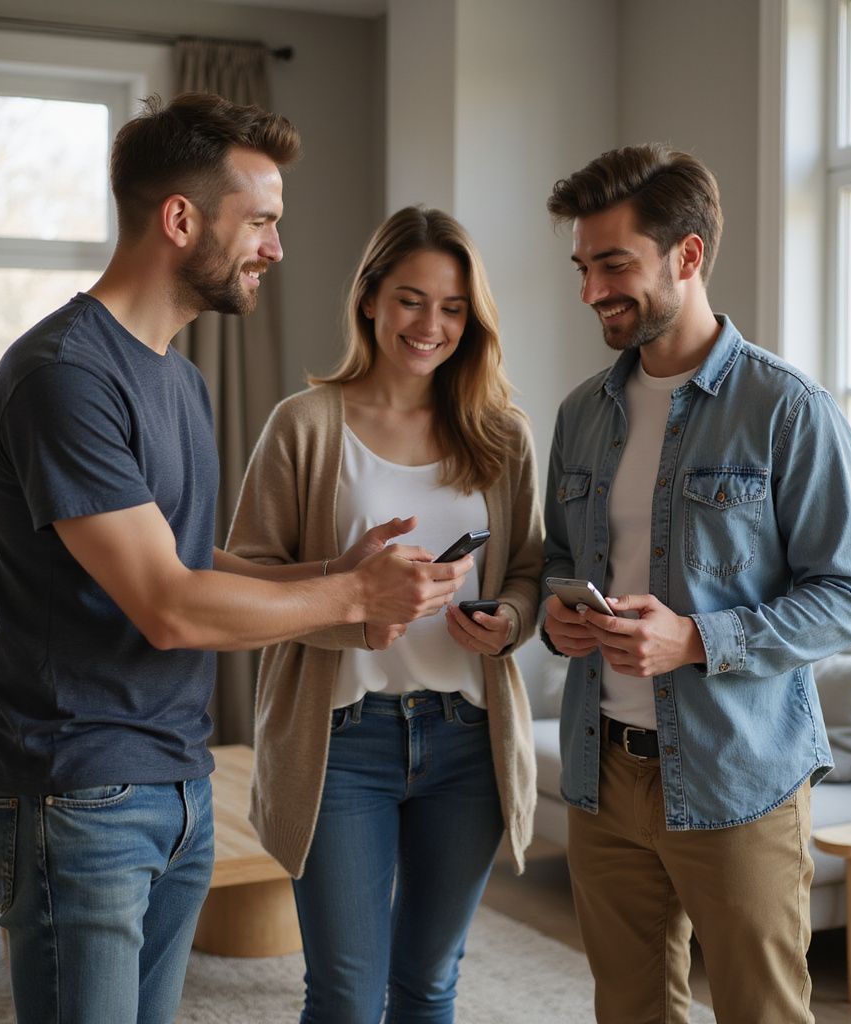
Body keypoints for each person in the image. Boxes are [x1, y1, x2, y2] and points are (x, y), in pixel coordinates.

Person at [0, 94, 472, 1024]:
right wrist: (349, 595)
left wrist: (329, 570)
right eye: (263, 222)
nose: (276, 249)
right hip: (77, 791)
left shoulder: (178, 376)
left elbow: (187, 557)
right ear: (179, 219)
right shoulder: (64, 376)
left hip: (176, 779)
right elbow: (170, 606)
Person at [539, 144, 851, 1024]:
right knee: (629, 1009)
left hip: (741, 778)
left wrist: (696, 639)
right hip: (601, 771)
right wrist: (556, 616)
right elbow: (558, 562)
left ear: (686, 257)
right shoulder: (582, 413)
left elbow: (848, 594)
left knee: (761, 1012)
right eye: (583, 268)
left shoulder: (788, 409)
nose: (590, 292)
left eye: (613, 265)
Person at [226, 205, 543, 1024]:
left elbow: (533, 570)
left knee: (430, 985)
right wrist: (351, 595)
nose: (429, 325)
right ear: (370, 299)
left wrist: (507, 619)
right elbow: (241, 581)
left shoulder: (502, 436)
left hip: (469, 738)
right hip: (343, 740)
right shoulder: (303, 426)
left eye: (452, 307)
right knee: (344, 994)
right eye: (410, 299)